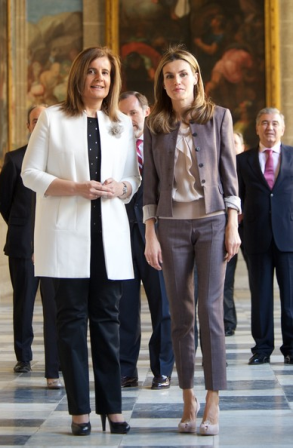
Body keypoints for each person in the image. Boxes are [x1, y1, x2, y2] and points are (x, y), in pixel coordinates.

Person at [21, 46, 141, 436]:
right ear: (79, 75)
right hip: (65, 238)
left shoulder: (121, 122)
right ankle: (80, 411)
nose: (99, 78)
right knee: (71, 324)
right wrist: (73, 187)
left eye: (105, 72)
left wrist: (121, 186)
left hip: (109, 239)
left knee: (108, 322)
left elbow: (133, 180)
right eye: (92, 71)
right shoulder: (53, 118)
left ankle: (113, 408)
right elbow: (30, 174)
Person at [143, 46, 241, 436]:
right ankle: (188, 399)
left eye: (183, 74)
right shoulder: (155, 125)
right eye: (169, 76)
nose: (176, 81)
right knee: (180, 317)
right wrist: (150, 233)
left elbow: (230, 180)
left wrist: (233, 225)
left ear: (196, 77)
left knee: (211, 312)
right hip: (170, 227)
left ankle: (213, 402)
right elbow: (149, 186)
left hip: (214, 224)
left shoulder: (219, 117)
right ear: (162, 83)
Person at [0, 105, 61, 389]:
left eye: (44, 121)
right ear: (28, 126)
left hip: (56, 245)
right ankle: (23, 356)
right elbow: (4, 202)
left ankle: (55, 361)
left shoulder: (61, 158)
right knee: (23, 303)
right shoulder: (13, 159)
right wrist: (24, 230)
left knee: (55, 306)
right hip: (23, 244)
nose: (39, 125)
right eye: (35, 121)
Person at [118, 91, 174, 390]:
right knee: (124, 307)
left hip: (158, 236)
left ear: (146, 112)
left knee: (163, 306)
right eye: (122, 114)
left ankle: (162, 369)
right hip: (121, 237)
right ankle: (126, 370)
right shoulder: (113, 148)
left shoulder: (161, 143)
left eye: (133, 113)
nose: (129, 120)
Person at [237, 107, 293, 366]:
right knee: (260, 296)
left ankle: (291, 347)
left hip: (288, 237)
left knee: (290, 296)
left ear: (282, 128)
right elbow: (235, 199)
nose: (269, 128)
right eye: (264, 123)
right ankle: (262, 348)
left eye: (274, 123)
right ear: (257, 128)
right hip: (256, 237)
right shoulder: (243, 161)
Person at [224, 131, 245, 337]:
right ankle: (227, 322)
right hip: (226, 227)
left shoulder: (246, 165)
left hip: (247, 228)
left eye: (235, 142)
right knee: (225, 277)